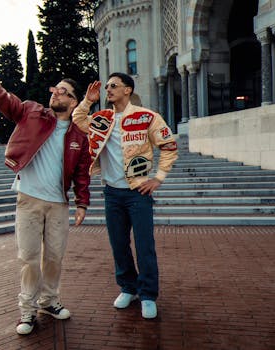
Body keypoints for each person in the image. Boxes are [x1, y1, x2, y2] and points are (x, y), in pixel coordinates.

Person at [0, 51, 91, 335]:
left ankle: (49, 301)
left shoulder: (78, 137)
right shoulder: (32, 112)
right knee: (29, 258)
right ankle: (27, 311)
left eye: (64, 92)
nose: (56, 94)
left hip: (58, 204)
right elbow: (4, 99)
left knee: (54, 257)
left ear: (73, 102)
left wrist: (82, 203)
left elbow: (82, 172)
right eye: (55, 89)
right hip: (29, 200)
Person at [72, 73, 178, 319]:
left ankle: (148, 295)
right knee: (119, 245)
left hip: (138, 193)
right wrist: (88, 101)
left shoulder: (147, 117)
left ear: (128, 90)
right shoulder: (102, 118)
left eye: (113, 86)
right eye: (107, 86)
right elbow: (78, 120)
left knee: (144, 247)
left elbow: (169, 146)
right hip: (112, 193)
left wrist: (158, 178)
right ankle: (128, 288)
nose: (108, 89)